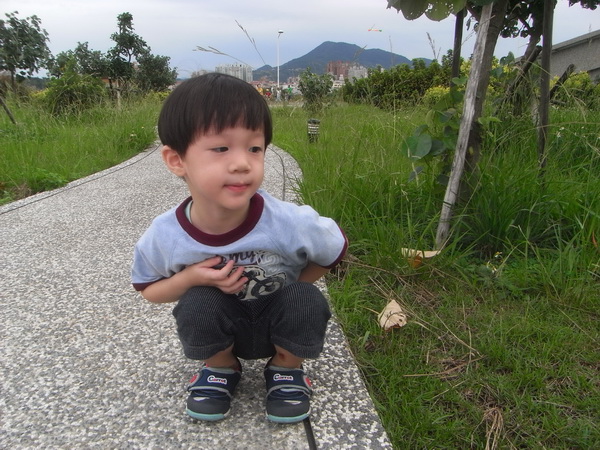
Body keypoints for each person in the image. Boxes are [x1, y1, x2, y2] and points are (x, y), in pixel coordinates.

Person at [131, 73, 348, 424]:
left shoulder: (286, 221)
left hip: (275, 318)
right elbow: (149, 290)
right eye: (221, 148)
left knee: (307, 301)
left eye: (254, 148)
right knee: (196, 304)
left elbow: (334, 247)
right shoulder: (166, 235)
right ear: (177, 160)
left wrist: (295, 287)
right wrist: (189, 278)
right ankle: (220, 368)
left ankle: (285, 369)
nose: (242, 162)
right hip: (223, 325)